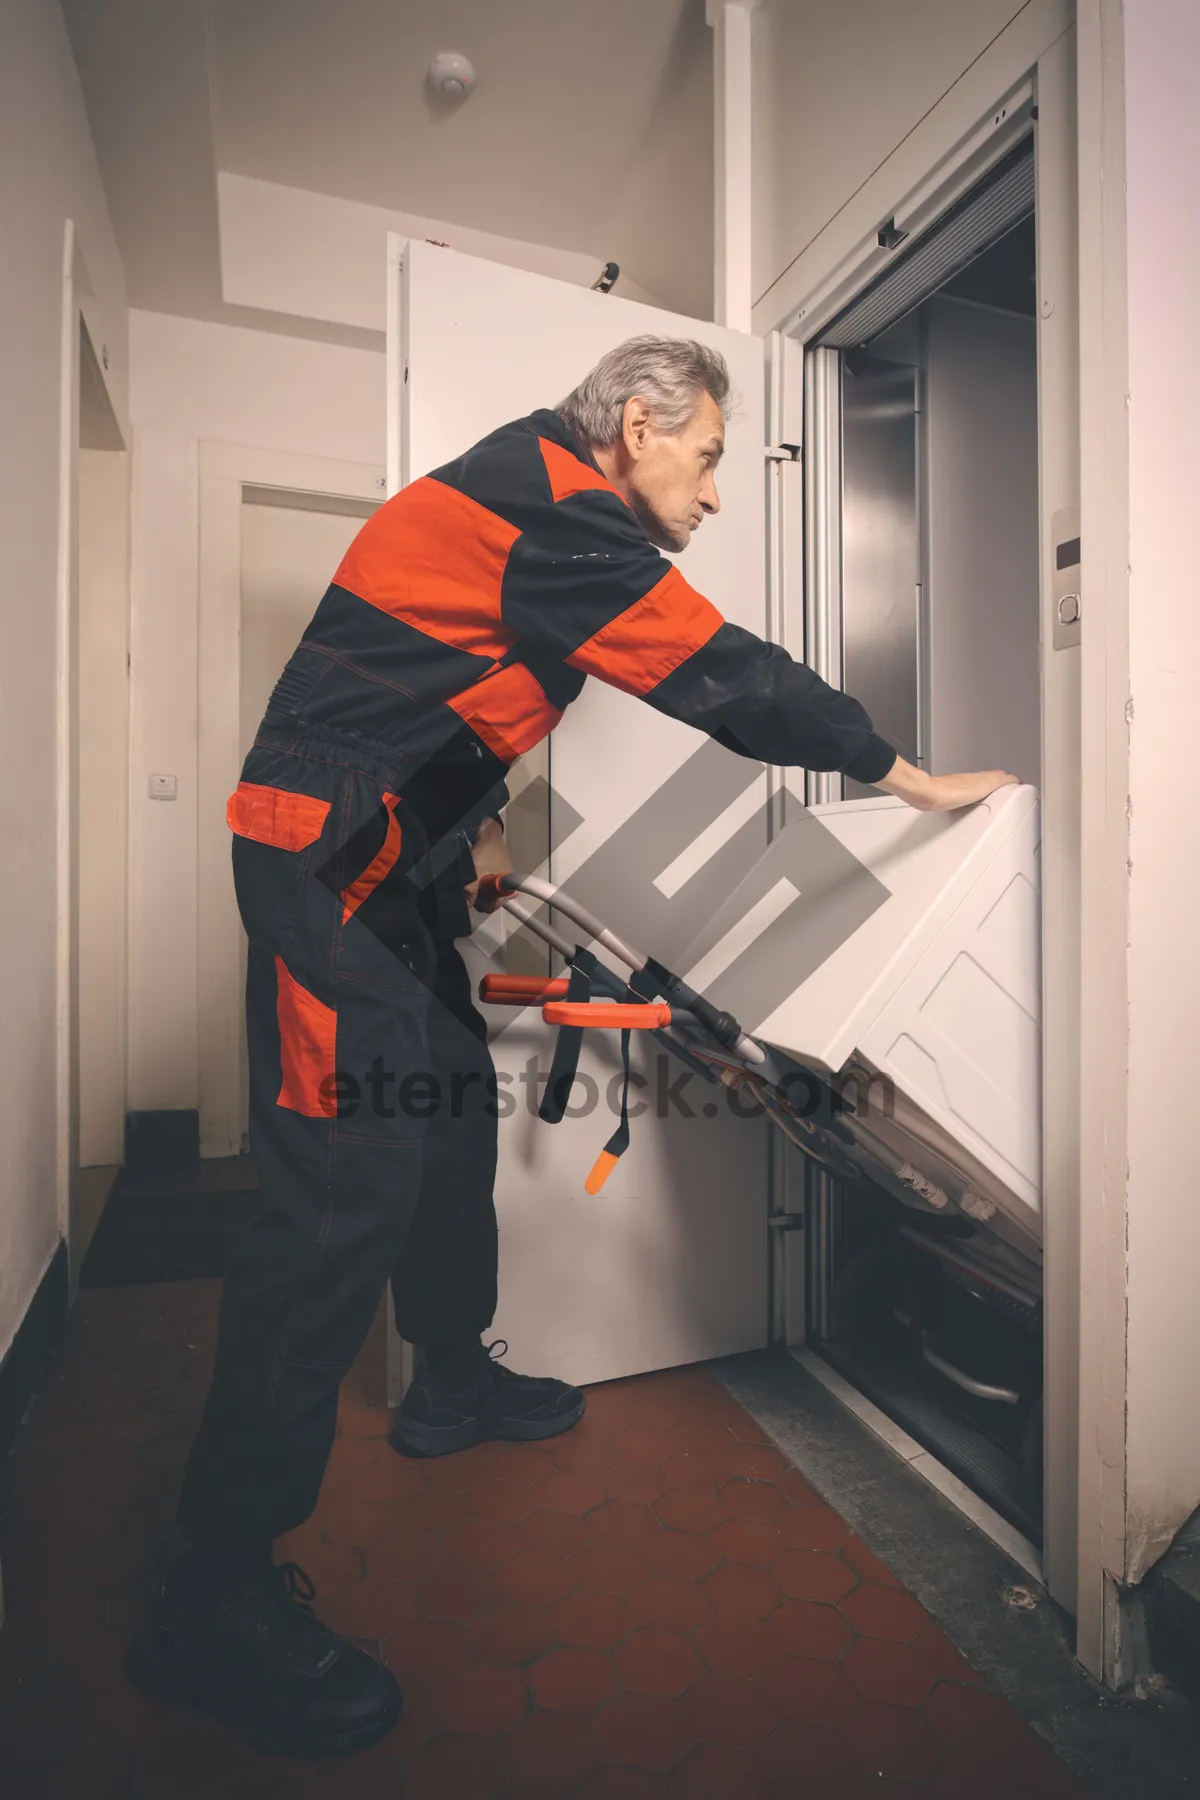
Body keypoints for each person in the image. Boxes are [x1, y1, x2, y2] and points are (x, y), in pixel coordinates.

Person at [127, 336, 1017, 1756]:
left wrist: (455, 846)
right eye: (711, 456)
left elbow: (437, 686)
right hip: (324, 873)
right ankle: (210, 1593)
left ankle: (449, 1377)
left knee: (451, 1107)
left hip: (384, 865)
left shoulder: (524, 496)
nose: (717, 492)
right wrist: (903, 774)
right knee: (333, 1198)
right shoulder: (560, 510)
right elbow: (724, 677)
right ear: (639, 428)